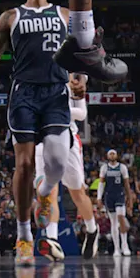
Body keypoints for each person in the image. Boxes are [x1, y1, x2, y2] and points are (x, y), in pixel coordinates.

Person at [0, 0, 71, 265]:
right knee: (24, 164)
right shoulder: (10, 17)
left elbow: (80, 54)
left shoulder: (65, 15)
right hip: (24, 92)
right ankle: (24, 235)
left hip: (56, 91)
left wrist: (80, 79)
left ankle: (46, 191)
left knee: (57, 161)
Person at [35, 73, 100, 259]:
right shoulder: (36, 77)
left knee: (77, 193)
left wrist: (50, 111)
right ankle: (52, 239)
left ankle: (92, 230)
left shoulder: (75, 79)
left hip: (68, 138)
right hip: (43, 139)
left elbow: (81, 113)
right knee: (49, 191)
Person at [98, 150, 134, 256]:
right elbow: (101, 184)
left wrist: (130, 198)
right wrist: (99, 197)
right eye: (110, 153)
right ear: (107, 156)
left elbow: (127, 184)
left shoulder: (122, 167)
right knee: (113, 222)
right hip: (109, 196)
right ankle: (117, 248)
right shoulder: (104, 168)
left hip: (120, 195)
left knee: (121, 218)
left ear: (117, 155)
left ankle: (124, 245)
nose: (112, 155)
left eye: (114, 153)